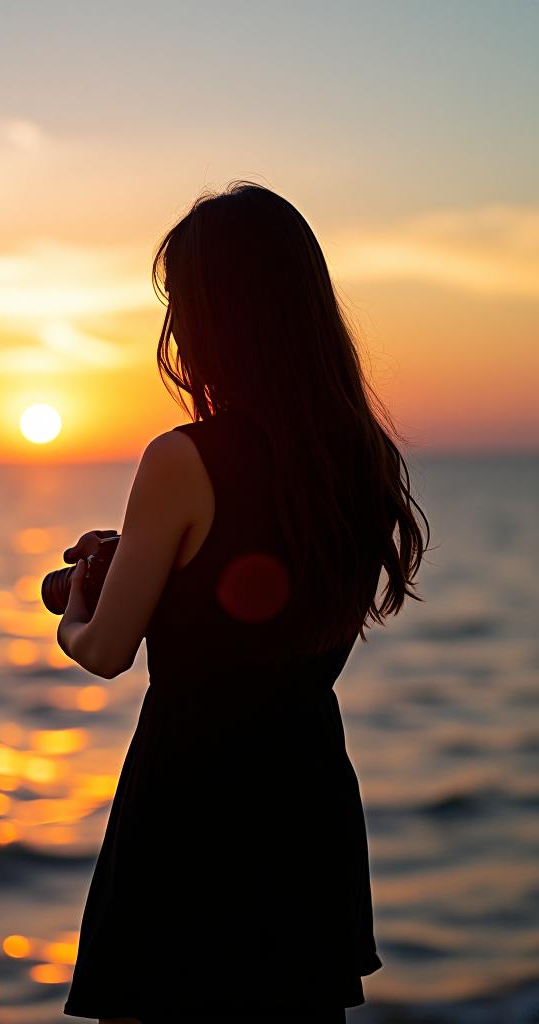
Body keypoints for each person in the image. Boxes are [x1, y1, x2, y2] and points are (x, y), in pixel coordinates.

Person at [56, 180, 430, 1023]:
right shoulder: (359, 458)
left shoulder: (184, 458)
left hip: (192, 822)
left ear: (219, 316)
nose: (176, 329)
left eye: (182, 304)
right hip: (306, 814)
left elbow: (107, 649)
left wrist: (82, 604)